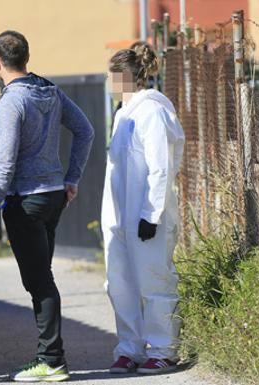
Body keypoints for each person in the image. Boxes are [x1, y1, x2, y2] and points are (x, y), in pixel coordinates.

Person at [0, 31, 95, 382]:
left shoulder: (12, 102)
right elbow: (86, 130)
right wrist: (71, 178)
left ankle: (52, 361)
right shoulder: (50, 89)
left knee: (39, 281)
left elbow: (6, 159)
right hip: (52, 195)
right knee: (41, 276)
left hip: (26, 200)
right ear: (26, 57)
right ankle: (47, 356)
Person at [102, 46, 185, 375]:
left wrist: (151, 214)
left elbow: (159, 167)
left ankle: (164, 348)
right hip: (120, 217)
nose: (109, 82)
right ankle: (130, 347)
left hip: (147, 216)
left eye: (112, 75)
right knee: (119, 282)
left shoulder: (152, 111)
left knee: (154, 282)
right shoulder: (124, 113)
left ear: (126, 77)